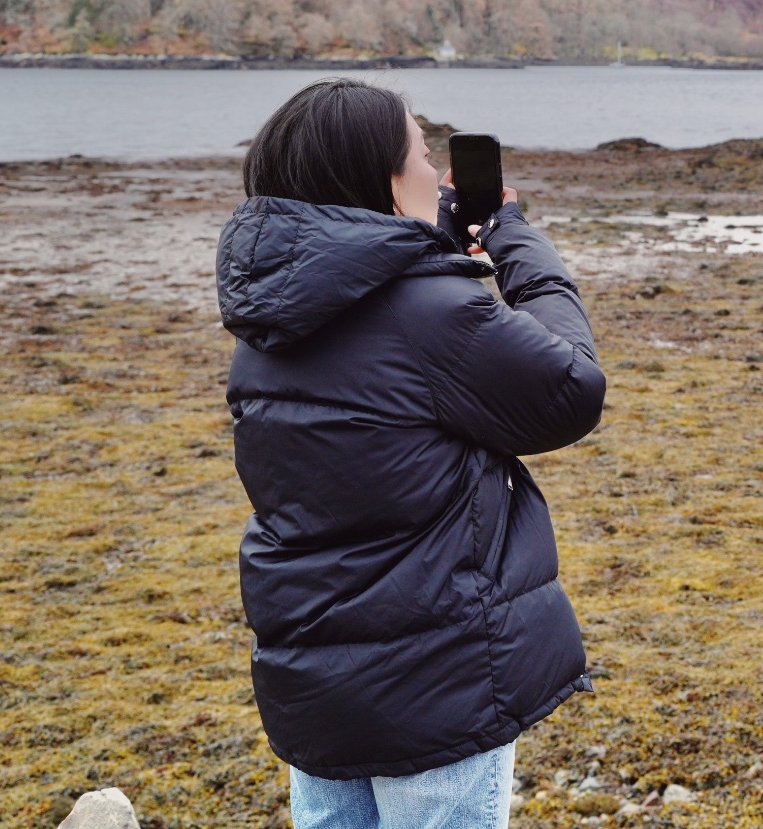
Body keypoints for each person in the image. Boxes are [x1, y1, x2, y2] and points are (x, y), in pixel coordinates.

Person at [217, 80, 605, 829]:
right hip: (437, 681)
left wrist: (430, 248)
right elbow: (570, 386)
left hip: (316, 682)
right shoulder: (429, 313)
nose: (438, 172)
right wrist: (511, 237)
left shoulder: (267, 324)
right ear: (389, 184)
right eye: (424, 154)